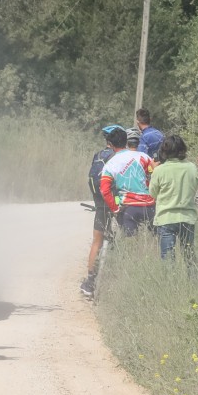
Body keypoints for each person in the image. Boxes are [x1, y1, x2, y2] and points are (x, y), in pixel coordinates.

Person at [81, 125, 125, 296]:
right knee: (126, 236)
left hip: (100, 202)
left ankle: (90, 281)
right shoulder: (120, 157)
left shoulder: (98, 156)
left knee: (97, 241)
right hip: (118, 202)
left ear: (107, 141)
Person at [148, 135, 197, 265]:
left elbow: (153, 193)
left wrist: (154, 170)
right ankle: (193, 282)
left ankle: (171, 283)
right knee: (189, 256)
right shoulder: (192, 167)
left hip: (166, 218)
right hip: (187, 217)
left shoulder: (159, 170)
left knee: (168, 259)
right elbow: (194, 188)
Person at [99, 128, 154, 237]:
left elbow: (104, 190)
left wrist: (115, 208)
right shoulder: (143, 156)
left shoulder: (110, 164)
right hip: (150, 206)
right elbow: (156, 174)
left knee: (130, 243)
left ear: (110, 144)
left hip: (128, 208)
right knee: (156, 240)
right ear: (126, 141)